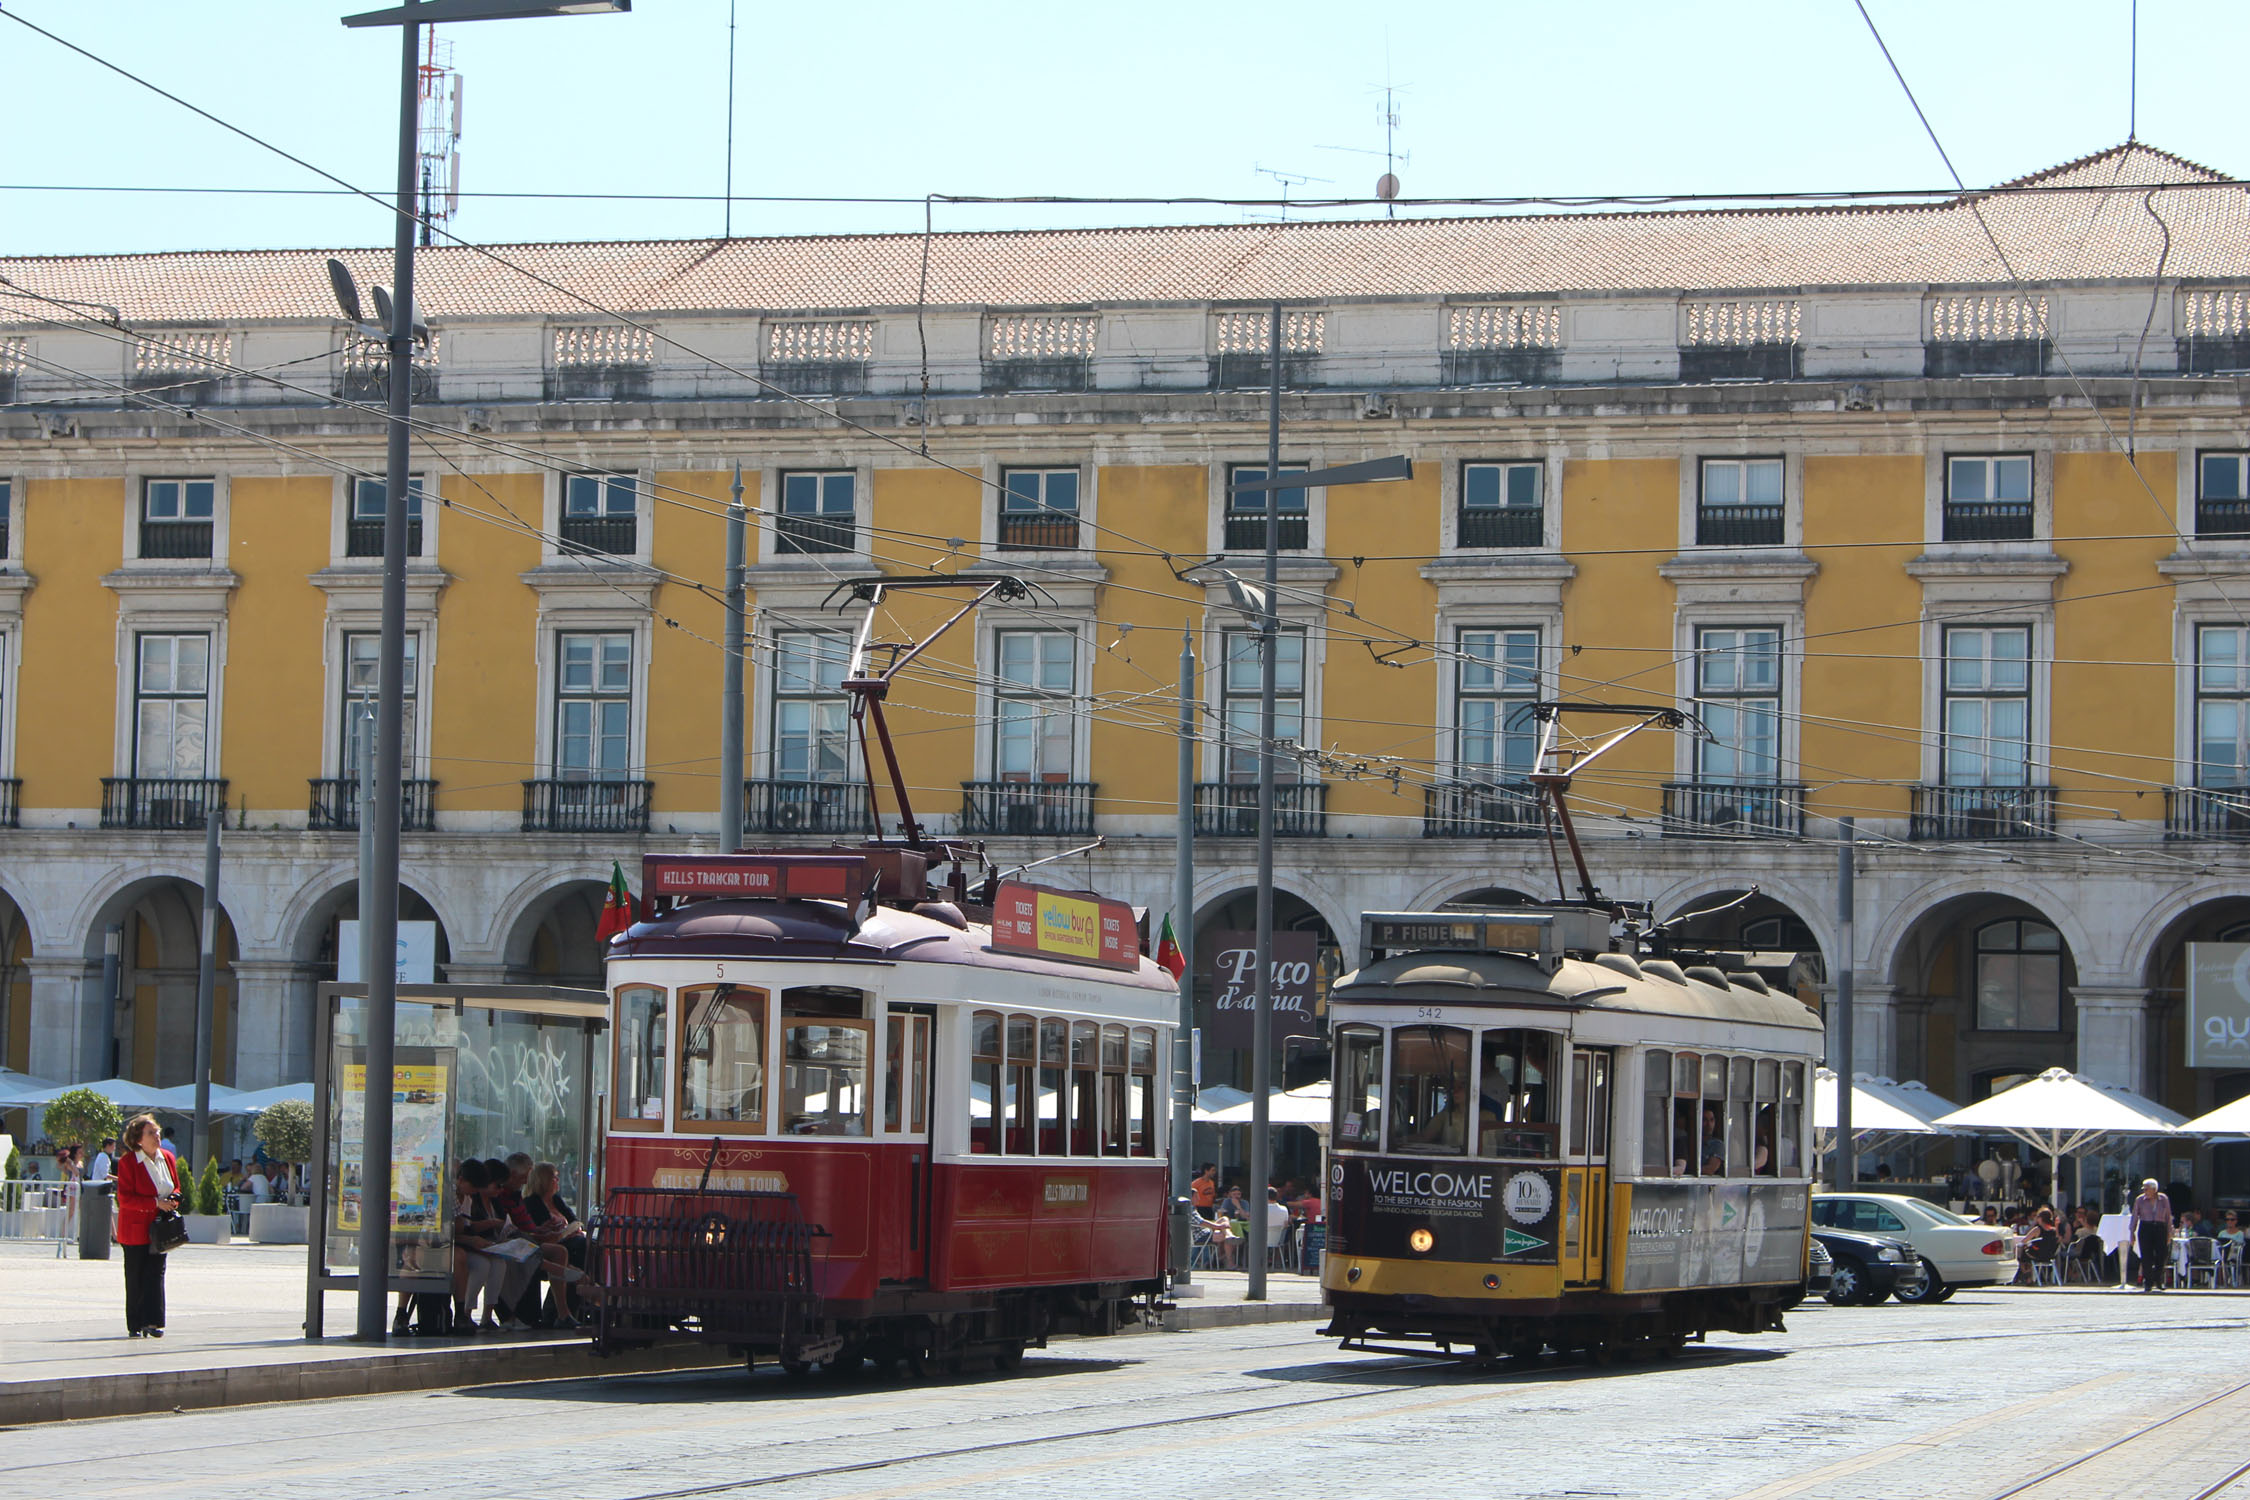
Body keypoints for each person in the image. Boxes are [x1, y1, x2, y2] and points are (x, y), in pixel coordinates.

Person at [114, 1114, 180, 1339]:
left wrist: (173, 1201)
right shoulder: (128, 1162)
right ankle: (135, 1323)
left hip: (160, 1228)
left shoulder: (168, 1158)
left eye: (158, 1131)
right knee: (135, 1275)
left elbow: (176, 1187)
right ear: (138, 1139)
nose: (157, 1136)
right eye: (151, 1133)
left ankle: (153, 1321)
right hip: (135, 1228)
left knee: (156, 1274)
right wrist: (155, 1203)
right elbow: (125, 1199)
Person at [522, 1162, 591, 1329]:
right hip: (554, 1244)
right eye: (554, 1177)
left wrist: (572, 1229)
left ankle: (572, 1308)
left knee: (587, 1247)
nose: (558, 1180)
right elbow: (542, 1232)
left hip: (569, 1241)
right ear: (544, 1180)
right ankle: (566, 1309)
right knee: (579, 1250)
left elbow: (574, 1220)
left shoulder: (557, 1200)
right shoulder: (533, 1202)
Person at [2130, 1178, 2174, 1292]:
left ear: (2154, 1189)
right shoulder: (2140, 1200)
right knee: (2146, 1256)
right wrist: (2132, 1233)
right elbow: (2135, 1216)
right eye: (2144, 1189)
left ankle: (2158, 1280)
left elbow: (2168, 1216)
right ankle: (2148, 1282)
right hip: (2146, 1226)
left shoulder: (2163, 1199)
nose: (2145, 1191)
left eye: (2147, 1189)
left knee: (2162, 1255)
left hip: (2160, 1227)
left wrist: (2170, 1232)